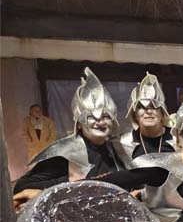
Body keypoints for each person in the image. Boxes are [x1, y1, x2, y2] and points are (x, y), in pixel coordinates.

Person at [13, 68, 124, 208]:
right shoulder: (66, 152)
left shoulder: (116, 149)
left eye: (106, 116)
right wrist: (69, 182)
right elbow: (22, 187)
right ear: (79, 123)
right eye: (91, 116)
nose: (100, 121)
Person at [114, 72, 175, 168]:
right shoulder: (124, 142)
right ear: (135, 114)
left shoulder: (177, 139)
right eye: (142, 107)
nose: (149, 111)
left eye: (154, 107)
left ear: (162, 112)